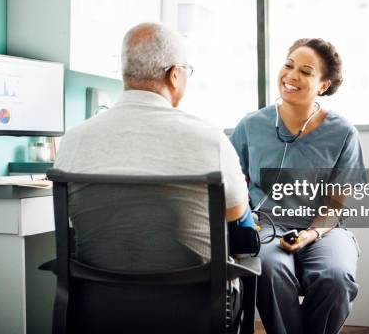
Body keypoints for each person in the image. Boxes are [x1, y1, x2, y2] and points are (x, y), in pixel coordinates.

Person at [54, 22, 253, 327]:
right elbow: (238, 220)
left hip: (99, 307)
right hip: (193, 311)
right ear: (174, 74)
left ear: (125, 74)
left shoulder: (74, 140)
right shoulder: (209, 139)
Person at [230, 38, 363, 334]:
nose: (291, 76)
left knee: (336, 276)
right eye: (288, 65)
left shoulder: (343, 132)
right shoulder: (251, 125)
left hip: (324, 229)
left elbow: (337, 204)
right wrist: (242, 226)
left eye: (305, 71)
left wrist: (311, 233)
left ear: (323, 85)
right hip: (266, 226)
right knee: (270, 268)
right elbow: (230, 183)